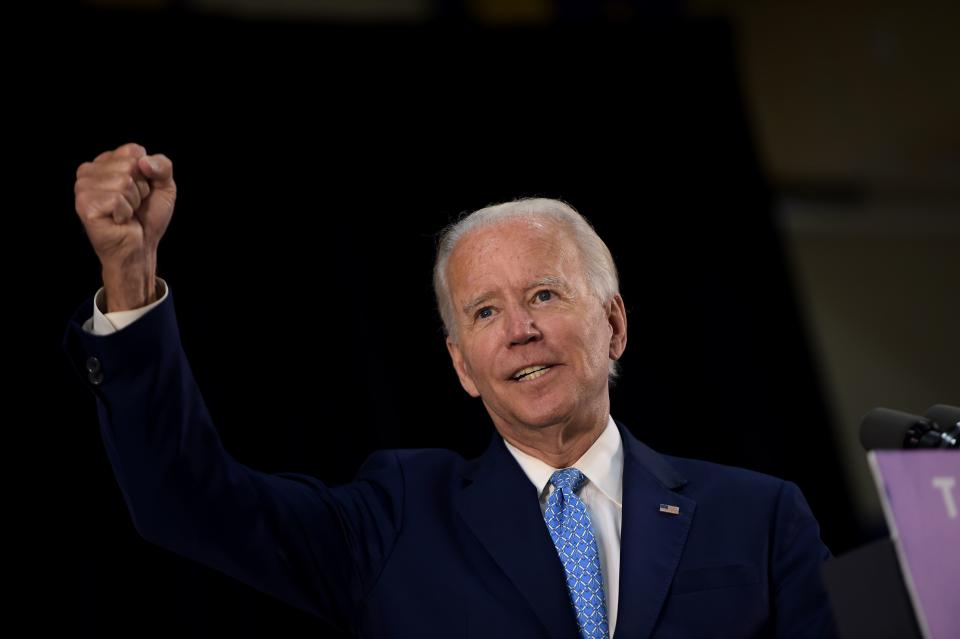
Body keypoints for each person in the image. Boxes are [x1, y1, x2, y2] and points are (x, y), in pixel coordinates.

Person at [64, 143, 837, 638]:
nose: (519, 330)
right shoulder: (397, 516)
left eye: (543, 295)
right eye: (486, 312)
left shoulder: (758, 517)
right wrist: (129, 278)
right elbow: (187, 500)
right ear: (463, 365)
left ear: (614, 323)